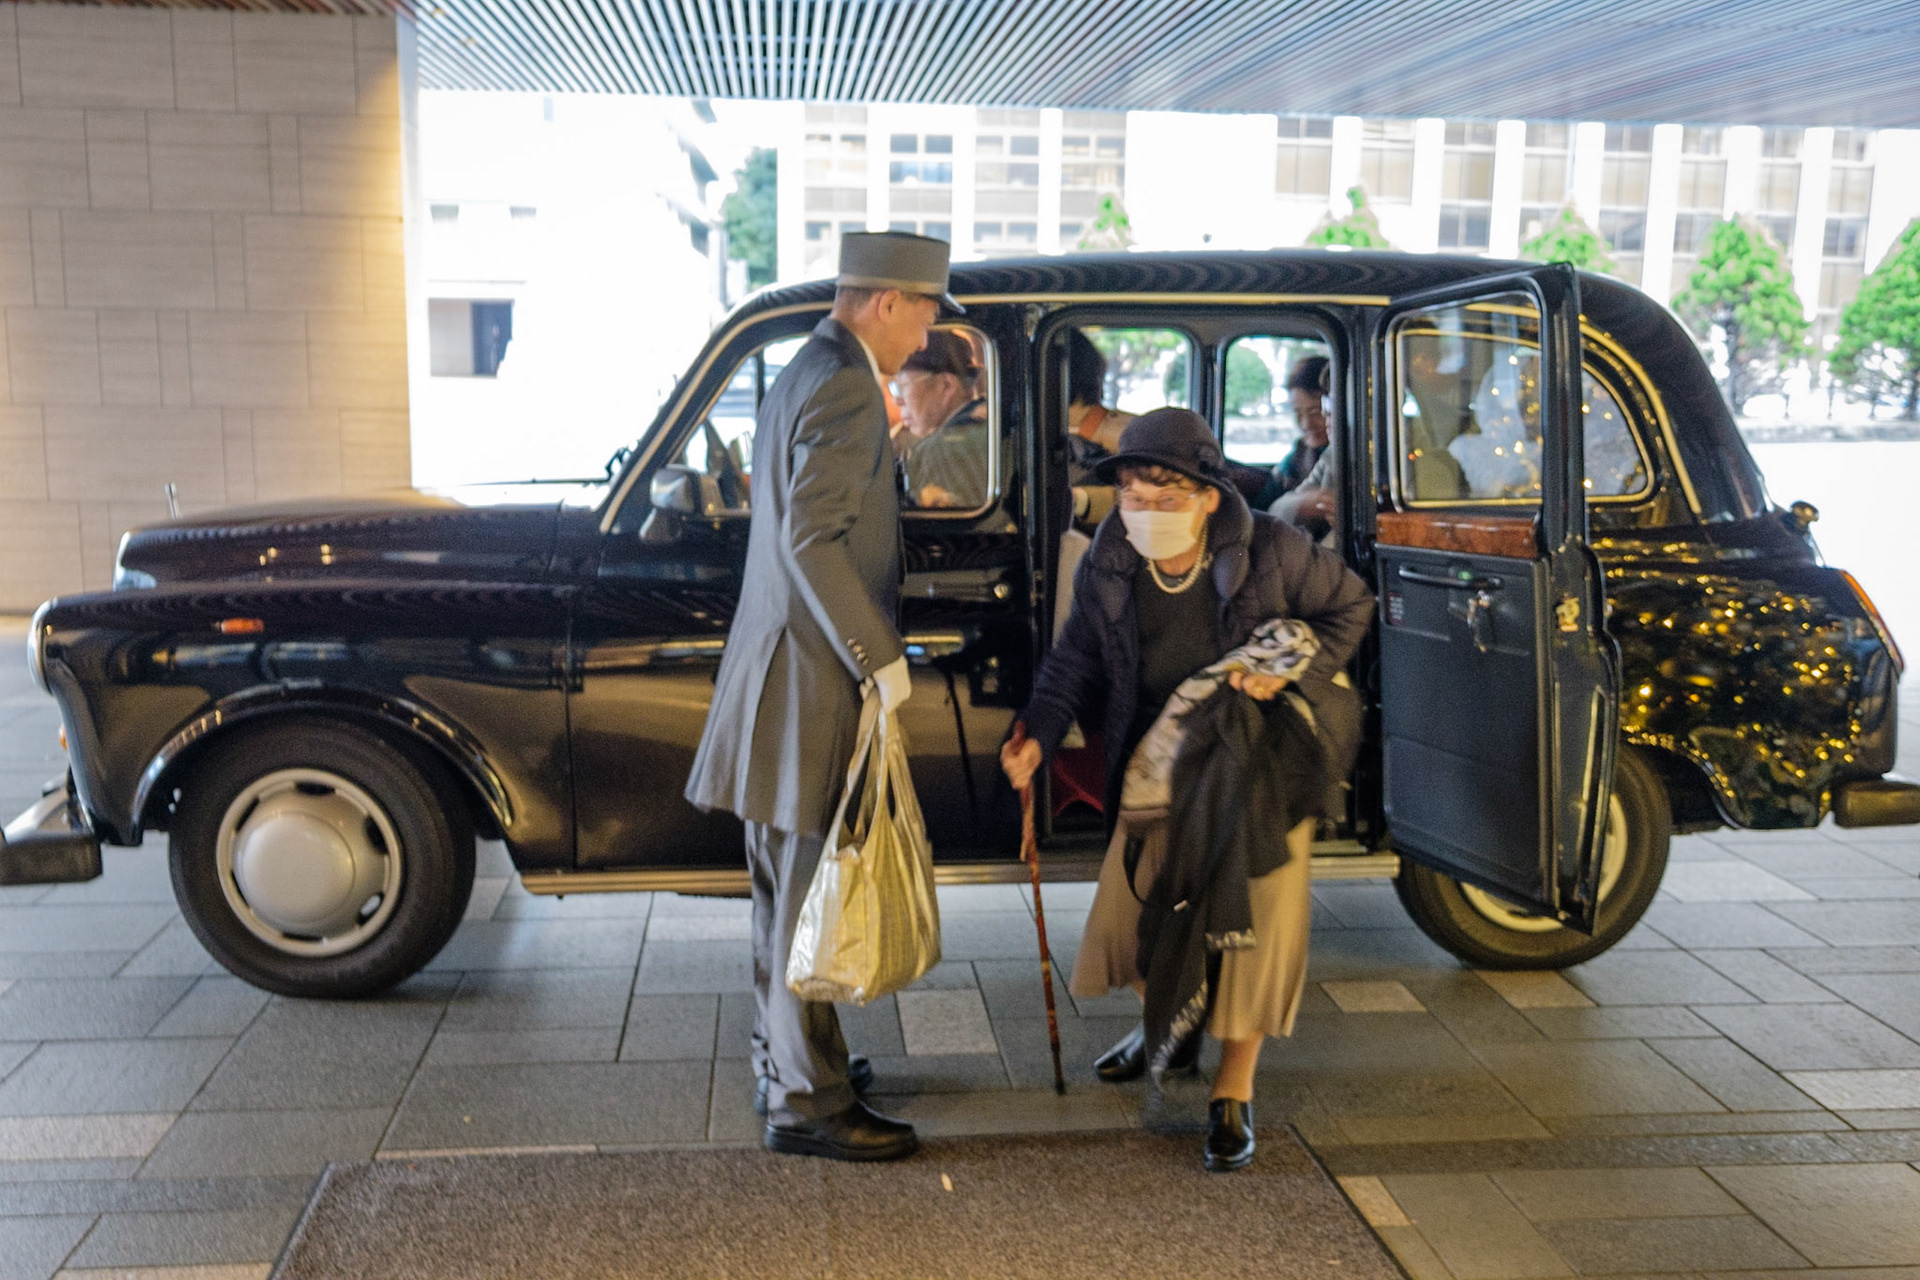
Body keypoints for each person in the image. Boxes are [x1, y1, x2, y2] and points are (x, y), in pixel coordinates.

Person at [1001, 407, 1373, 1172]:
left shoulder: (1271, 546)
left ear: (1208, 497)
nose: (1145, 513)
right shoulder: (1113, 554)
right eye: (1133, 496)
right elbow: (1075, 655)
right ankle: (1164, 1020)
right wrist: (1037, 732)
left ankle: (1232, 1092)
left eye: (1165, 498)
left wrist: (1285, 673)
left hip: (1258, 759)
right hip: (1160, 753)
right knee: (1137, 909)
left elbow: (1352, 606)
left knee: (1251, 923)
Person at [685, 231, 959, 1163]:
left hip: (776, 673)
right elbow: (812, 538)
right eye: (925, 312)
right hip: (812, 679)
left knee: (782, 894)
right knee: (806, 891)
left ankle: (792, 1061)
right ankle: (806, 1102)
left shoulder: (805, 368)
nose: (926, 334)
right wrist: (878, 654)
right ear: (888, 301)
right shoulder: (847, 384)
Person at [895, 329, 989, 509]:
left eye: (902, 386)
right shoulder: (991, 425)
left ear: (946, 385)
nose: (898, 400)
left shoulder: (938, 451)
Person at [1251, 356, 1331, 510]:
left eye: (1316, 411)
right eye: (1298, 413)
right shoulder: (1295, 460)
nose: (1306, 424)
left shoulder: (1352, 455)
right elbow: (1262, 510)